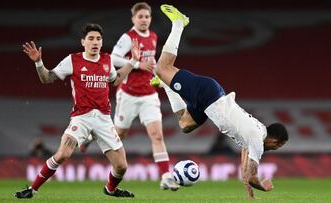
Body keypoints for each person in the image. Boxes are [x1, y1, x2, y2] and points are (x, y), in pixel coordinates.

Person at [156, 5, 289, 199]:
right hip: (208, 94)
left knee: (185, 124)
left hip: (210, 101)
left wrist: (249, 192)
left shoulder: (256, 134)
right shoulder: (257, 141)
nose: (275, 150)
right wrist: (263, 186)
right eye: (277, 147)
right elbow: (252, 176)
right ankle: (179, 23)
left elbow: (245, 158)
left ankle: (166, 86)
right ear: (276, 141)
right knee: (162, 67)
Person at [15, 23, 139, 199]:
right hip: (81, 118)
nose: (95, 42)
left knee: (121, 166)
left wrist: (133, 61)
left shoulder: (106, 60)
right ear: (83, 42)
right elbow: (47, 78)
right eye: (91, 39)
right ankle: (32, 189)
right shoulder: (73, 60)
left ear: (101, 42)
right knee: (62, 154)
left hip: (104, 119)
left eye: (98, 39)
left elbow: (116, 79)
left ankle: (110, 189)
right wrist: (38, 62)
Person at [110, 2, 179, 191]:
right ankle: (94, 137)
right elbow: (113, 58)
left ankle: (166, 176)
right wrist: (138, 65)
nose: (143, 20)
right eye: (140, 17)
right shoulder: (128, 37)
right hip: (128, 94)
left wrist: (156, 74)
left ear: (150, 19)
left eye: (147, 17)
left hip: (149, 94)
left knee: (157, 135)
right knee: (119, 134)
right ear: (133, 19)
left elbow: (152, 61)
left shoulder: (154, 37)